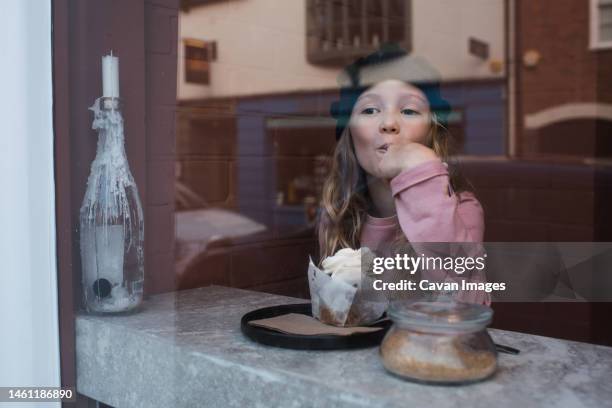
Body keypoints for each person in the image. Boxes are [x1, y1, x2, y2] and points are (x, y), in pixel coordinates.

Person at [318, 45, 489, 304]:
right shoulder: (340, 213)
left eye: (409, 110)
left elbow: (466, 305)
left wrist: (421, 169)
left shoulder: (463, 210)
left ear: (432, 132)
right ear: (350, 134)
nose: (389, 123)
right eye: (369, 110)